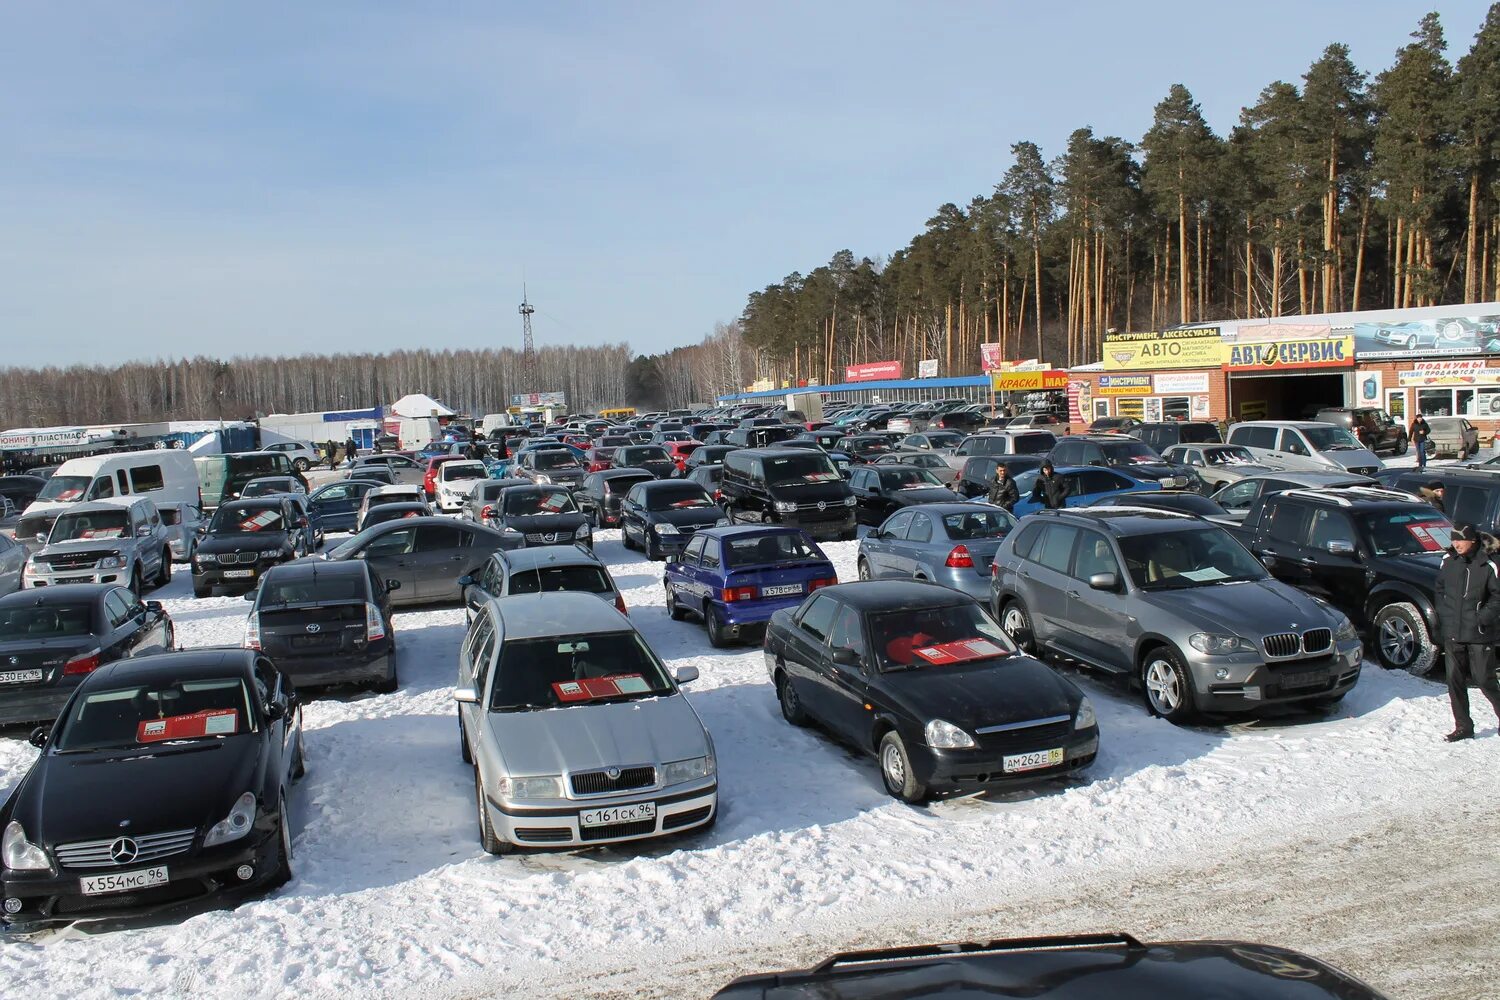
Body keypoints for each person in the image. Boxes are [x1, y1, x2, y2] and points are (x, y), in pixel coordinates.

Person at [1433, 524, 1500, 741]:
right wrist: (1445, 615)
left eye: (1461, 540)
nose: (1456, 544)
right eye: (1454, 540)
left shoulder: (1488, 563)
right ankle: (1463, 726)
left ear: (1472, 540)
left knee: (1484, 680)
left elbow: (1497, 596)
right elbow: (1440, 589)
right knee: (1454, 681)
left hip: (1480, 633)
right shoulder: (1448, 561)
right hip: (1453, 632)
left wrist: (1482, 617)